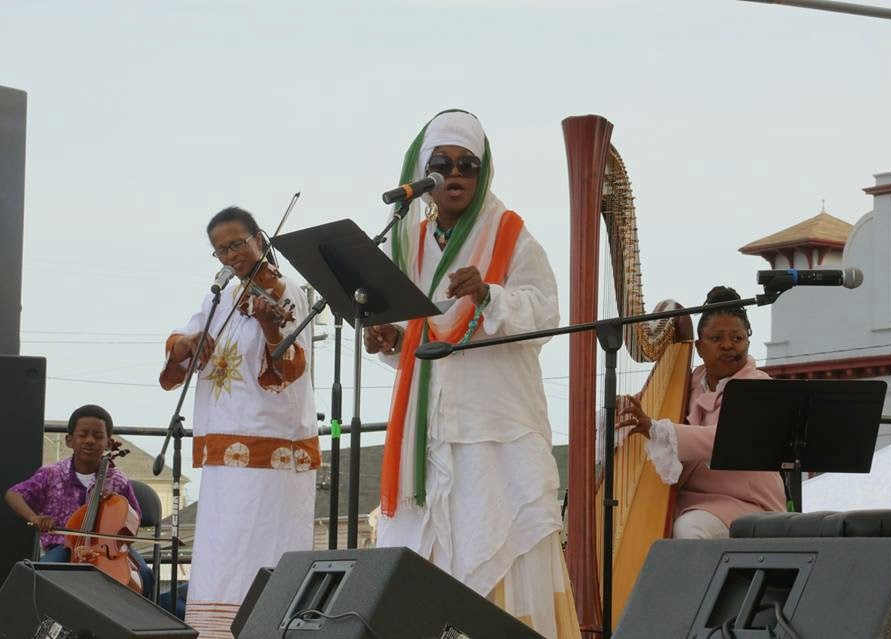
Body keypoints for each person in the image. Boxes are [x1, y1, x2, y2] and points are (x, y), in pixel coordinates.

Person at [365, 110, 579, 638]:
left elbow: (545, 313)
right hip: (428, 430)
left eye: (468, 165)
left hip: (495, 427)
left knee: (498, 541)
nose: (456, 173)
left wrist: (489, 295)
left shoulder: (510, 233)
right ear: (424, 172)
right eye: (442, 164)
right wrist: (392, 339)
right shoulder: (408, 241)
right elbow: (418, 335)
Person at [159, 206, 319, 637]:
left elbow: (288, 370)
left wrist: (270, 328)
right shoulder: (220, 297)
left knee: (259, 547)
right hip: (221, 450)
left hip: (268, 448)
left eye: (237, 244)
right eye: (220, 250)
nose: (230, 256)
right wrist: (188, 343)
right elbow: (181, 346)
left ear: (259, 240)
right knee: (222, 550)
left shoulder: (286, 292)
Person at [616, 286, 787, 539]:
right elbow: (643, 413)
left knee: (689, 528)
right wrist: (622, 409)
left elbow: (727, 438)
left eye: (737, 338)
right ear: (698, 347)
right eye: (717, 338)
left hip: (747, 502)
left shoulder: (757, 385)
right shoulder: (690, 381)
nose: (728, 346)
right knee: (639, 524)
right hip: (689, 500)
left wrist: (656, 429)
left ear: (748, 343)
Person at [4, 404, 153, 597]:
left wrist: (114, 502)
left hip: (108, 550)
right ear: (69, 440)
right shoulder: (52, 474)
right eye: (83, 435)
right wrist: (35, 518)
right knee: (43, 575)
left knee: (145, 574)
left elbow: (134, 520)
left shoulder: (117, 480)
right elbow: (14, 494)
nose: (90, 441)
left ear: (109, 443)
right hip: (63, 546)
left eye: (98, 436)